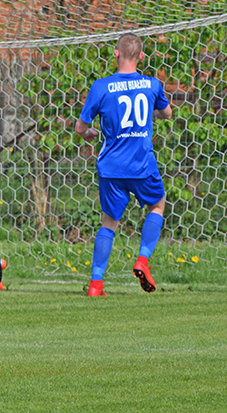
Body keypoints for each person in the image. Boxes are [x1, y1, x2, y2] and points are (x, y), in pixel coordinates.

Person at [75, 33, 173, 297]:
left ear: (116, 53)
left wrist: (88, 134)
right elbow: (167, 113)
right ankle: (142, 260)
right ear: (141, 56)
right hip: (142, 165)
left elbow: (80, 127)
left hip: (111, 166)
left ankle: (96, 284)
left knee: (109, 222)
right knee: (158, 204)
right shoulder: (152, 85)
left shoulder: (100, 87)